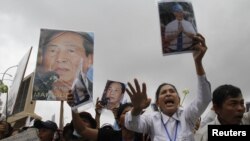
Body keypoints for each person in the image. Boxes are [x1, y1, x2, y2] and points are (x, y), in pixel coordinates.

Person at [125, 34, 211, 140]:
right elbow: (131, 124)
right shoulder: (151, 120)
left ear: (179, 100)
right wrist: (137, 109)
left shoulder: (187, 116)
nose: (168, 93)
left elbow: (204, 99)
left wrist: (198, 63)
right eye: (163, 92)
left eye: (172, 91)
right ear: (157, 103)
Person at [33, 29, 94, 101]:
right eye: (53, 50)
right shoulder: (33, 90)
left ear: (90, 59)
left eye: (71, 50)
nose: (60, 58)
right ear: (42, 57)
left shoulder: (96, 96)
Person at [67, 90, 144, 141]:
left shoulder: (145, 137)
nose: (130, 116)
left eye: (134, 113)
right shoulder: (109, 135)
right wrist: (74, 107)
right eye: (126, 113)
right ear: (119, 120)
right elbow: (82, 130)